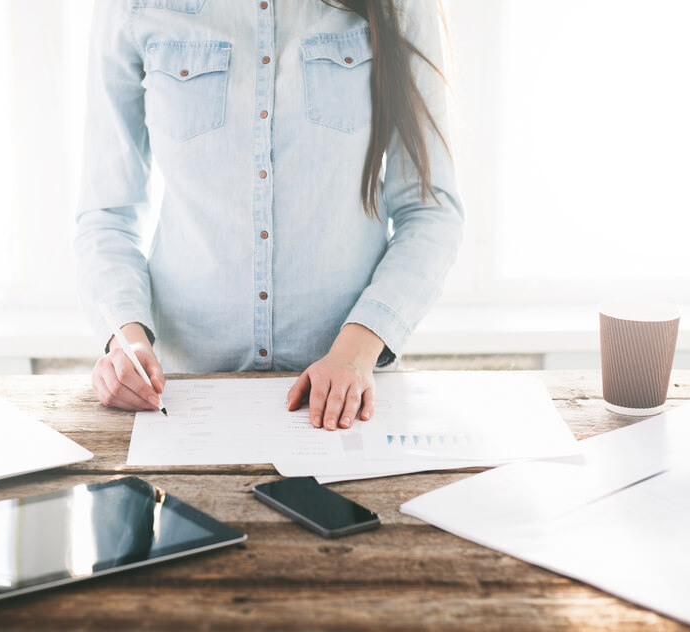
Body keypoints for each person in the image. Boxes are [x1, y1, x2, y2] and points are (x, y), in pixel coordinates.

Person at [75, 0, 464, 431]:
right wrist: (125, 339)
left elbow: (430, 208)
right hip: (181, 401)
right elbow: (108, 212)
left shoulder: (402, 6)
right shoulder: (131, 8)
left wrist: (353, 353)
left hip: (345, 404)